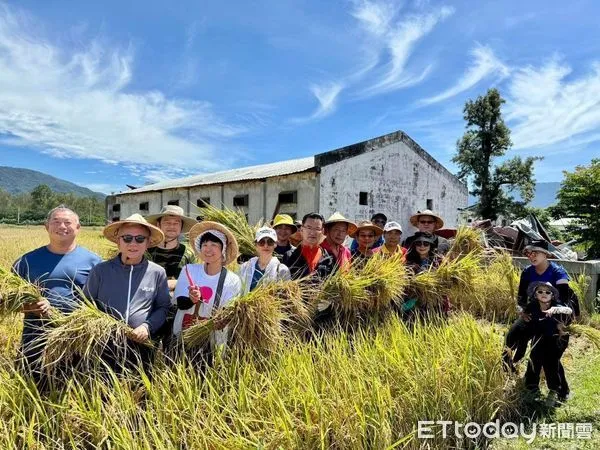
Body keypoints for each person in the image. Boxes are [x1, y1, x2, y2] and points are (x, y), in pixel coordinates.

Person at [12, 205, 102, 385]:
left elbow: (102, 300)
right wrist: (30, 306)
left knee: (76, 387)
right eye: (56, 221)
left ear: (78, 228)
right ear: (46, 227)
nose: (62, 226)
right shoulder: (26, 261)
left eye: (68, 222)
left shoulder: (94, 262)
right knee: (33, 387)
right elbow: (9, 301)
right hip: (36, 337)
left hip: (77, 337)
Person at [84, 214, 170, 375]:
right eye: (127, 238)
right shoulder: (101, 271)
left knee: (139, 391)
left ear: (148, 243)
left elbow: (163, 307)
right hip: (105, 344)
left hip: (142, 344)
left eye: (140, 239)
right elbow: (86, 304)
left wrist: (147, 327)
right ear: (118, 242)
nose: (133, 244)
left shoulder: (157, 272)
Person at [502, 240, 577, 398]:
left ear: (546, 254)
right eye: (529, 252)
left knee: (545, 353)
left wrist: (561, 324)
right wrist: (522, 311)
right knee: (510, 338)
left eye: (536, 252)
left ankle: (559, 390)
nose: (531, 255)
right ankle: (510, 372)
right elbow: (521, 298)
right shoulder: (528, 272)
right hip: (535, 313)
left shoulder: (558, 273)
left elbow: (565, 301)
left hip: (557, 316)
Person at [171, 221, 242, 361]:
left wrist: (221, 320)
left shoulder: (232, 280)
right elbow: (180, 304)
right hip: (183, 338)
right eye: (204, 245)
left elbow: (228, 312)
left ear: (223, 249)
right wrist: (191, 299)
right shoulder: (189, 270)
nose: (208, 249)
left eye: (214, 245)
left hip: (213, 342)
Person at [523, 281, 572, 405]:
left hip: (555, 339)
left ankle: (555, 391)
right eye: (540, 291)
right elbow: (523, 311)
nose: (543, 294)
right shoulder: (533, 305)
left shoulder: (557, 305)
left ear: (552, 295)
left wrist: (556, 309)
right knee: (533, 361)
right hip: (538, 338)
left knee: (551, 364)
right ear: (535, 294)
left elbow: (568, 311)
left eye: (547, 292)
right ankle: (532, 389)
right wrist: (522, 314)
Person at [146, 205, 197, 291]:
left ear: (181, 227)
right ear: (158, 225)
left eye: (176, 223)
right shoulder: (146, 251)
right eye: (167, 222)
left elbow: (194, 281)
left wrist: (176, 283)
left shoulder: (188, 253)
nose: (172, 226)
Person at [239, 227, 291, 294]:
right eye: (261, 242)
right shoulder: (245, 267)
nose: (266, 246)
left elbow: (286, 297)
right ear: (256, 245)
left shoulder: (282, 270)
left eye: (270, 242)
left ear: (275, 244)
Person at [283, 213, 335, 280]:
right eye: (309, 228)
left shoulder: (329, 258)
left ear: (322, 231)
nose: (312, 232)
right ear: (302, 230)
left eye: (317, 228)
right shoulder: (289, 256)